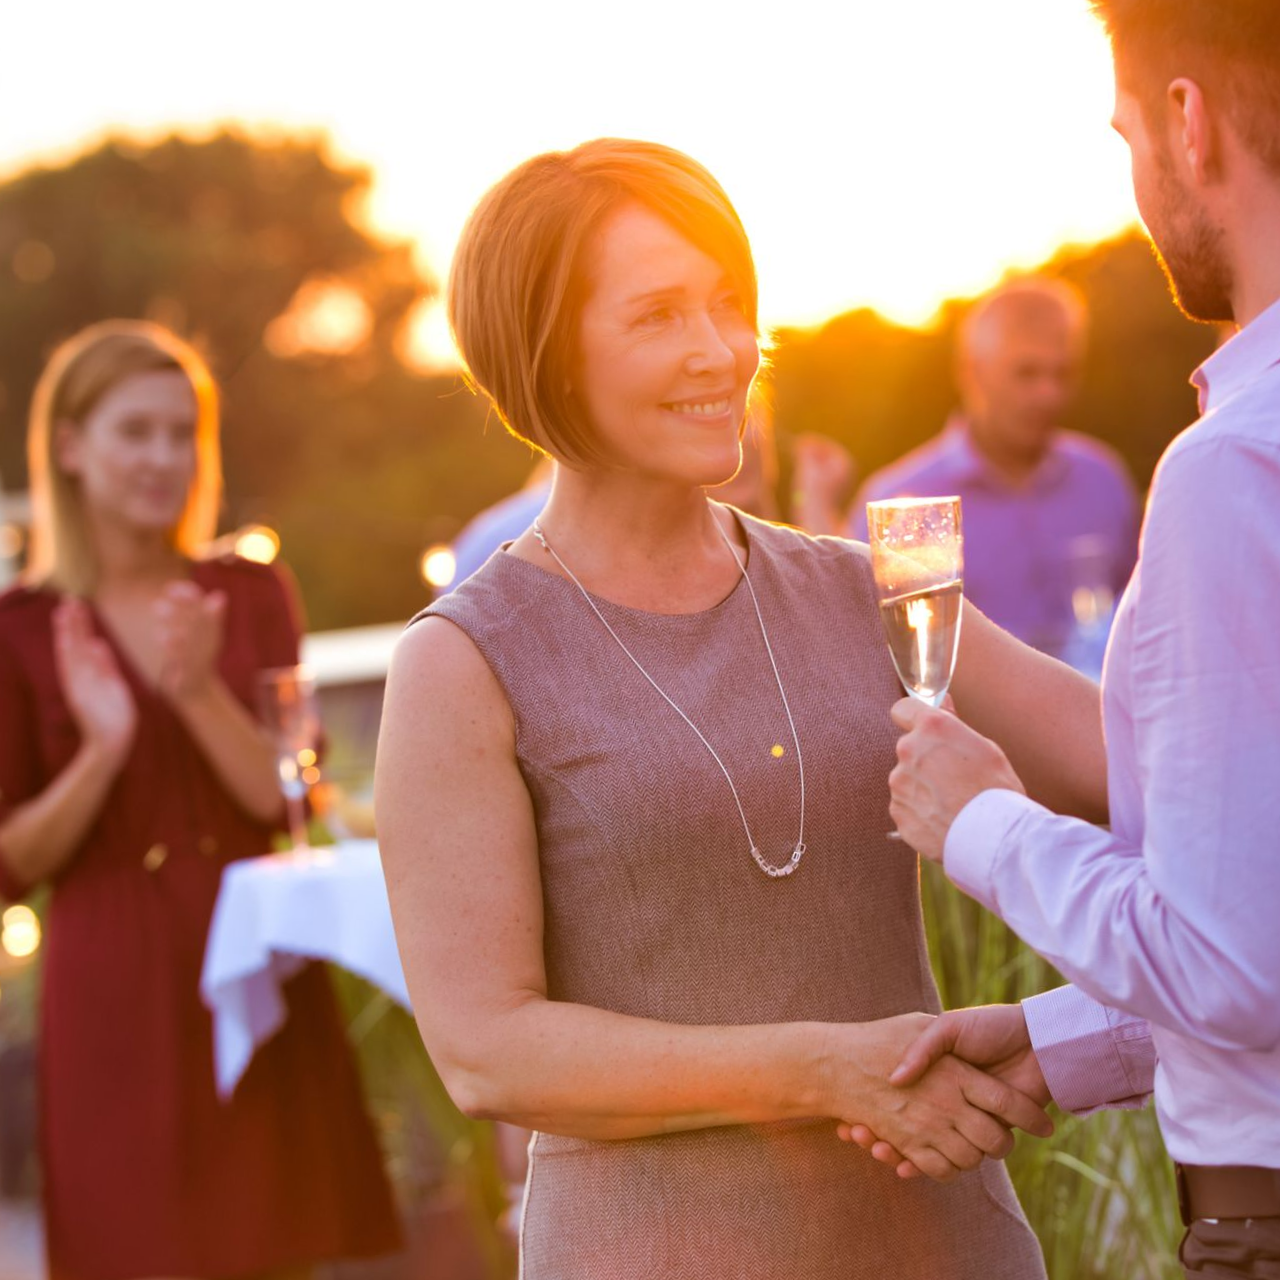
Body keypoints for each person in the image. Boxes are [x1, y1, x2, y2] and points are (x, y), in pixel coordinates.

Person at [374, 138, 1118, 1279]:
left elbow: (1141, 766)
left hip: (939, 1242)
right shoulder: (462, 660)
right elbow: (487, 1051)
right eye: (659, 314)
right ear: (546, 353)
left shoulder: (868, 586)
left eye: (729, 303)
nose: (720, 350)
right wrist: (822, 1069)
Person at [873, 2, 1280, 1275]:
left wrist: (981, 822)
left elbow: (1227, 959)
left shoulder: (1231, 468)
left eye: (1124, 134)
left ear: (1184, 119)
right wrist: (1069, 1040)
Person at [0, 321, 401, 1279]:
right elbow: (13, 862)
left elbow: (283, 802)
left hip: (255, 966)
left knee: (270, 1239)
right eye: (135, 432)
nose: (164, 458)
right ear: (70, 447)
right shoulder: (17, 631)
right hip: (110, 991)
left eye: (183, 433)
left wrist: (193, 693)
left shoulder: (250, 592)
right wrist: (103, 751)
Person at [848, 277, 1140, 655]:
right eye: (1026, 373)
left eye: (1062, 373)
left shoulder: (1103, 479)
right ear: (971, 372)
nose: (1048, 394)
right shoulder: (899, 502)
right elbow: (873, 653)